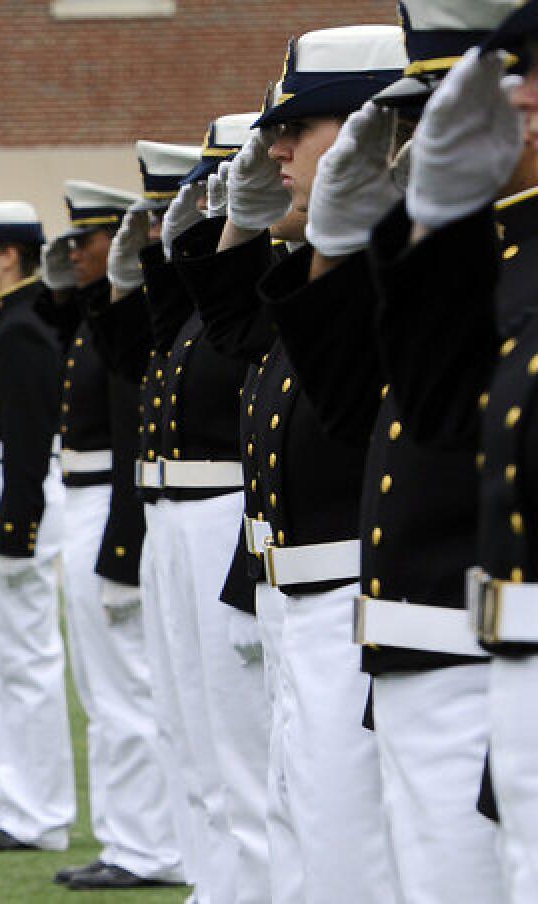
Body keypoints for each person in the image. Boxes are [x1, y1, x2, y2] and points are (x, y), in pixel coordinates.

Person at [176, 24, 406, 904]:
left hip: (358, 600)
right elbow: (234, 338)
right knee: (300, 836)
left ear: (366, 137)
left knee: (348, 856)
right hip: (297, 597)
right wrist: (238, 224)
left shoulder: (397, 272)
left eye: (295, 129)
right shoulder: (325, 272)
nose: (274, 148)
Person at [365, 5, 538, 896]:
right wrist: (430, 221)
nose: (522, 95)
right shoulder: (510, 262)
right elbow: (430, 409)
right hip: (501, 661)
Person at [41, 179, 186, 891]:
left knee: (128, 692)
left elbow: (136, 440)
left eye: (84, 240)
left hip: (114, 504)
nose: (75, 254)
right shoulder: (108, 314)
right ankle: (127, 836)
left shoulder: (150, 316)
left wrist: (122, 553)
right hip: (85, 499)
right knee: (104, 693)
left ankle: (149, 844)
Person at [0, 201, 76, 853]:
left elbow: (29, 438)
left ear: (7, 255)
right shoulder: (3, 319)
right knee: (7, 656)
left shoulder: (22, 327)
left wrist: (19, 523)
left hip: (10, 489)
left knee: (26, 659)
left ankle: (41, 813)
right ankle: (15, 799)